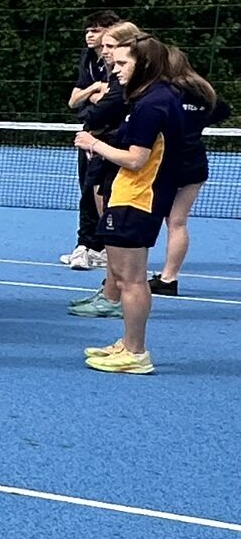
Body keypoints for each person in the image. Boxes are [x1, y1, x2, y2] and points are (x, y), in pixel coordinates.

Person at [77, 34, 188, 374]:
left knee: (131, 280)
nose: (115, 66)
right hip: (135, 195)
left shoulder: (151, 104)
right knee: (127, 278)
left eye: (124, 62)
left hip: (137, 198)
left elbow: (136, 160)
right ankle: (128, 342)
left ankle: (136, 352)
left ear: (145, 65)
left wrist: (93, 143)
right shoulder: (155, 98)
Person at [66, 22, 145, 318]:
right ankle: (110, 292)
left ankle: (116, 301)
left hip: (121, 169)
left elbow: (100, 112)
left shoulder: (139, 94)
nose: (106, 53)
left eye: (113, 48)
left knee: (122, 241)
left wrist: (95, 141)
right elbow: (83, 106)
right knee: (110, 230)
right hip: (106, 159)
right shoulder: (112, 78)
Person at [149, 51, 228, 296]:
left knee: (148, 219)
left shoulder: (163, 96)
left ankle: (126, 277)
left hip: (167, 166)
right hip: (194, 166)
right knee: (178, 222)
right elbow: (223, 111)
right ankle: (169, 278)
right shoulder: (203, 94)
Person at [63, 10, 122, 269]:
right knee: (87, 189)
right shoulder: (88, 59)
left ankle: (104, 246)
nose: (89, 35)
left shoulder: (122, 60)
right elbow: (74, 100)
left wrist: (98, 95)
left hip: (113, 135)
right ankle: (87, 244)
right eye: (88, 30)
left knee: (105, 192)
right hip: (89, 131)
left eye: (95, 30)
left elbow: (115, 99)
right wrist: (94, 89)